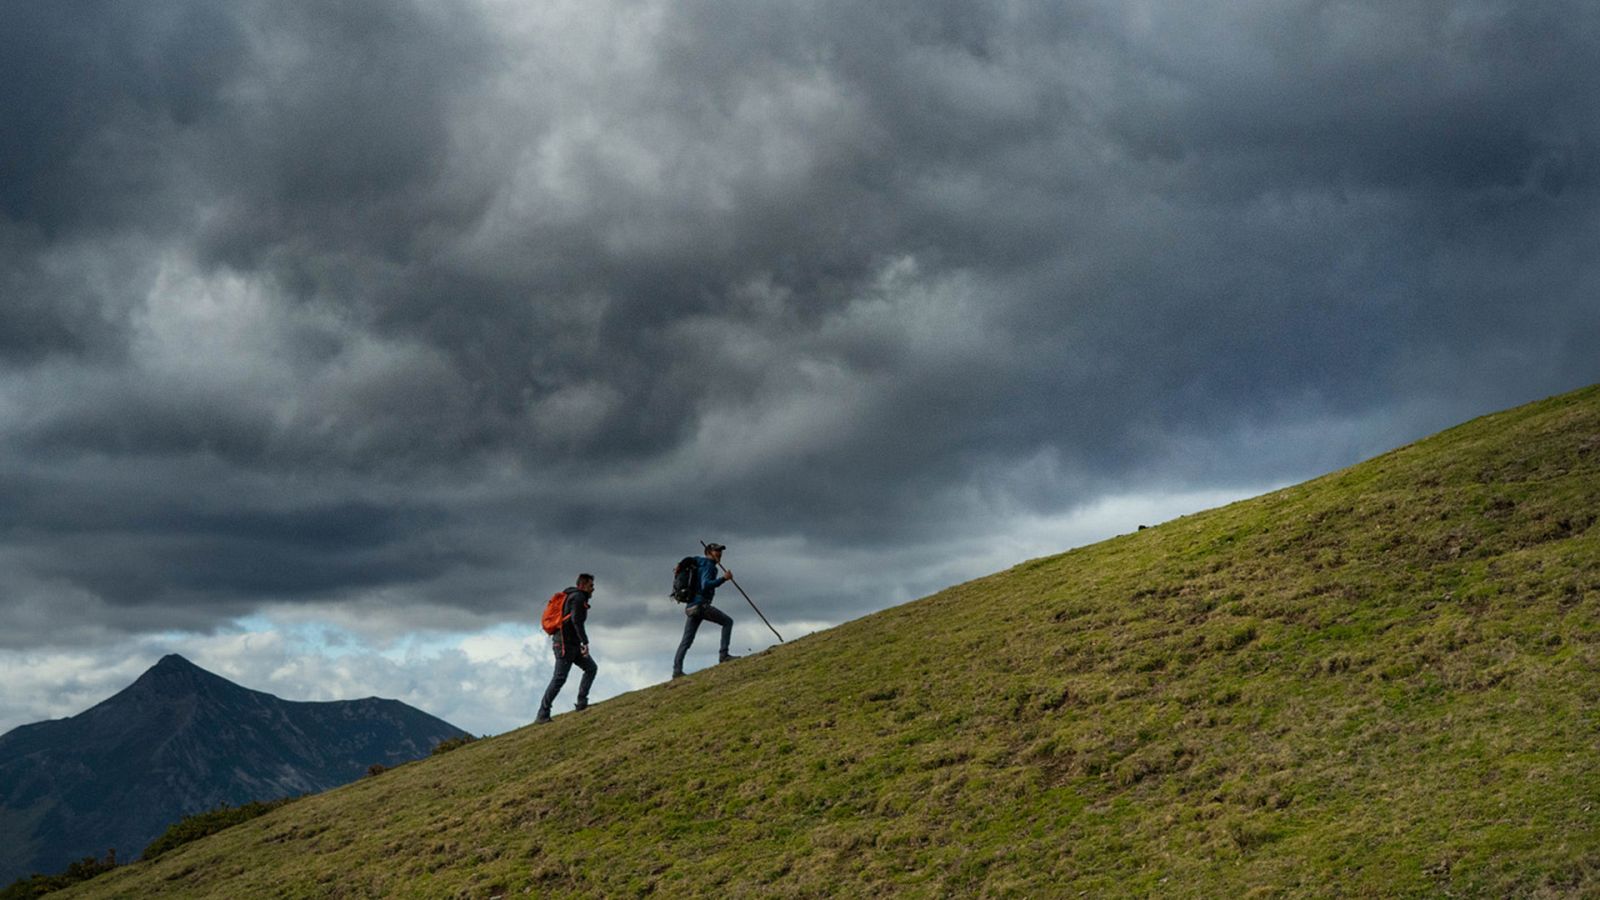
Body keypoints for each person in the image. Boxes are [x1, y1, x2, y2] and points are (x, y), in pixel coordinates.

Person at [535, 573, 597, 724]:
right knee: (559, 678)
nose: (593, 589)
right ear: (582, 586)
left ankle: (581, 703)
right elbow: (577, 621)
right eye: (590, 586)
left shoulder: (573, 596)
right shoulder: (578, 598)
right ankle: (543, 714)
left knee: (590, 668)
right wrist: (585, 642)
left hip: (570, 643)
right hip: (565, 644)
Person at [672, 543, 739, 678]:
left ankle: (677, 671)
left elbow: (690, 559)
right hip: (701, 605)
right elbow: (706, 585)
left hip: (690, 607)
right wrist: (723, 579)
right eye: (716, 551)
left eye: (720, 551)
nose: (720, 553)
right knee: (727, 622)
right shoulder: (709, 565)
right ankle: (723, 655)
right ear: (709, 552)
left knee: (686, 640)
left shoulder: (699, 562)